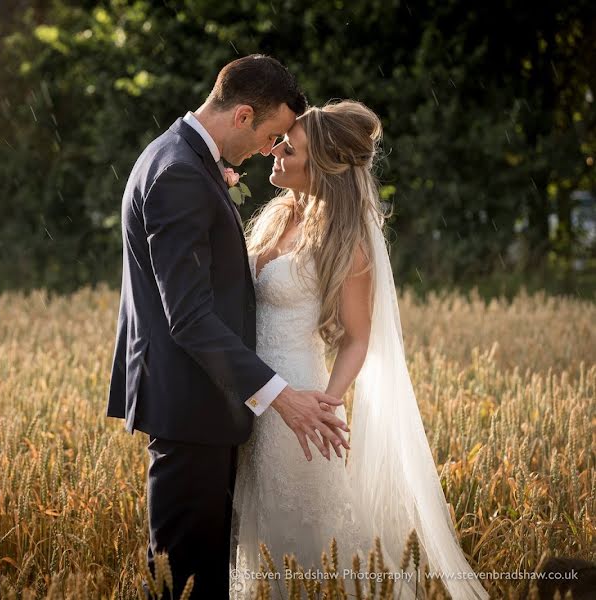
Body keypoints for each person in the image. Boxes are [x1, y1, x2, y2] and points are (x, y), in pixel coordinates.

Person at [106, 55, 351, 600]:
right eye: (270, 135)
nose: (271, 150)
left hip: (200, 404)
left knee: (204, 577)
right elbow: (189, 316)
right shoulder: (180, 174)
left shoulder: (177, 158)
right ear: (243, 115)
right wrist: (281, 397)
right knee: (185, 582)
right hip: (191, 407)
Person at [228, 99, 489, 600]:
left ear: (323, 166)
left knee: (300, 540)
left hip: (298, 402)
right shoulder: (275, 217)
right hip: (249, 391)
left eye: (291, 146)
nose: (276, 150)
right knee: (251, 535)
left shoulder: (346, 242)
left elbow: (358, 337)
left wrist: (328, 399)